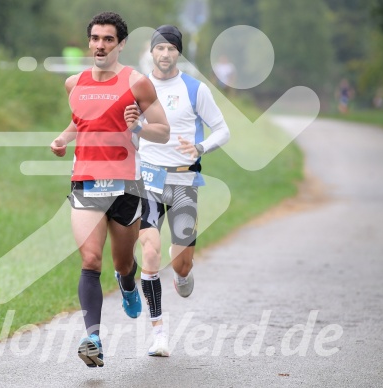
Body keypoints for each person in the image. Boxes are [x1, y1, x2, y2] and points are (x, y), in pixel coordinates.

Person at [50, 11, 170, 368]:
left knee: (122, 262)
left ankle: (128, 284)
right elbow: (80, 119)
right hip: (86, 181)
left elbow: (162, 129)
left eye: (108, 40)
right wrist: (63, 138)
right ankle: (93, 338)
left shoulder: (137, 83)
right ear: (89, 42)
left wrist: (138, 127)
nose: (100, 45)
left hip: (126, 185)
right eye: (95, 39)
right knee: (90, 260)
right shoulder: (75, 83)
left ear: (120, 45)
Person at [131, 25, 230, 357]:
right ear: (152, 52)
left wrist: (201, 147)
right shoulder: (138, 87)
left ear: (178, 53)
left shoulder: (194, 89)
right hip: (148, 180)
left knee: (181, 264)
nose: (165, 54)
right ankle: (158, 333)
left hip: (185, 182)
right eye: (160, 48)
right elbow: (126, 131)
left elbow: (223, 130)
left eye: (171, 49)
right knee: (149, 253)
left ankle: (183, 277)